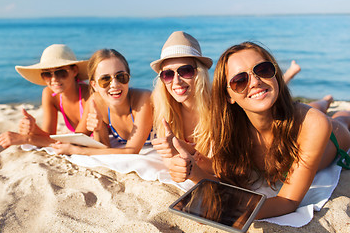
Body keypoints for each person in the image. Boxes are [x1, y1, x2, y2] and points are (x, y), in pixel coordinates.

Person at [168, 41, 350, 219]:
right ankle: (326, 100)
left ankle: (331, 105)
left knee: (340, 118)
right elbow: (226, 181)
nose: (255, 81)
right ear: (228, 95)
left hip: (333, 138)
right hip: (294, 116)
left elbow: (288, 202)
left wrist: (234, 211)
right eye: (239, 80)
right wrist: (194, 172)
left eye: (263, 70)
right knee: (311, 108)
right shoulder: (230, 129)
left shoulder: (314, 125)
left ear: (275, 74)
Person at [51, 49, 153, 155]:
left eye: (121, 76)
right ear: (94, 85)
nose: (115, 84)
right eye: (105, 79)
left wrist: (77, 151)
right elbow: (104, 147)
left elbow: (132, 151)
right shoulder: (96, 101)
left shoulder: (143, 99)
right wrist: (98, 129)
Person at [0, 44, 90, 148]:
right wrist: (33, 128)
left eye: (60, 72)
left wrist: (27, 139)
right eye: (47, 74)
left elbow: (78, 142)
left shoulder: (89, 96)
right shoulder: (50, 94)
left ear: (74, 71)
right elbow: (49, 136)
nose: (54, 79)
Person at [150, 31, 213, 168]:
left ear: (199, 73)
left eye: (185, 71)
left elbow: (223, 169)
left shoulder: (218, 110)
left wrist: (186, 150)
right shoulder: (166, 110)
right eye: (168, 74)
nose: (176, 81)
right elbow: (170, 162)